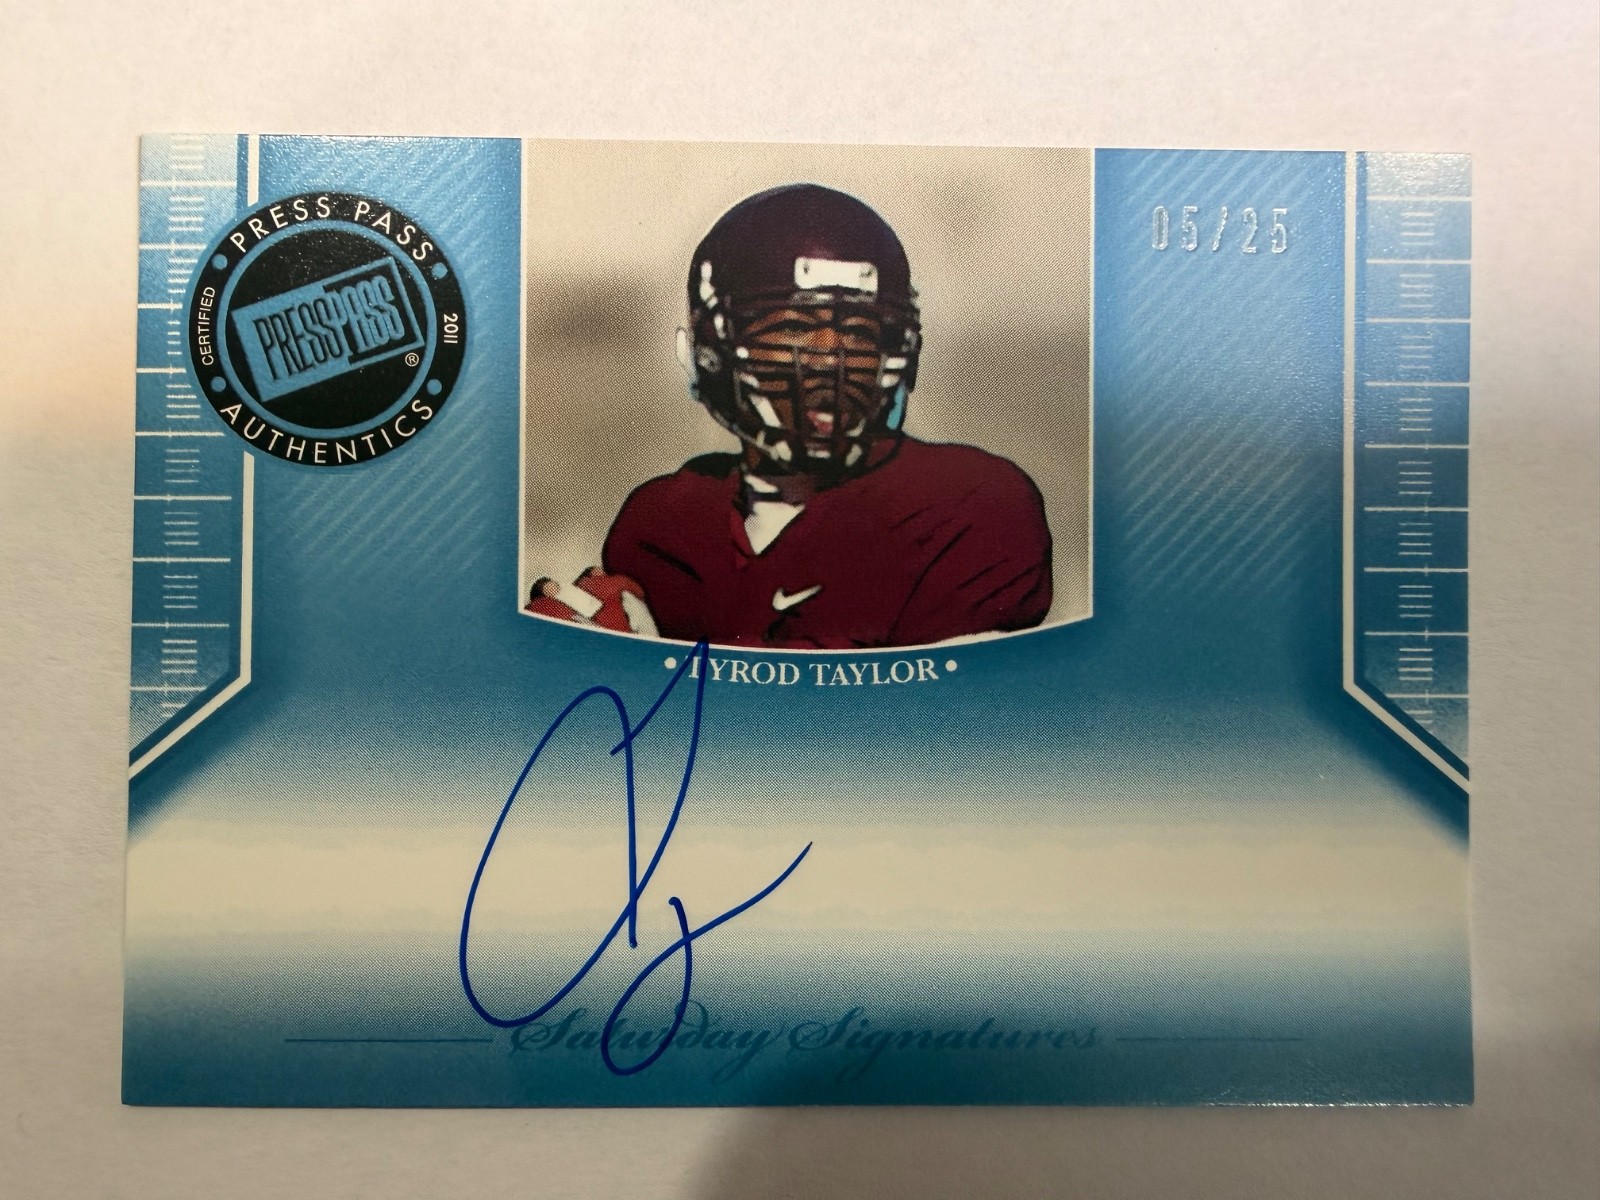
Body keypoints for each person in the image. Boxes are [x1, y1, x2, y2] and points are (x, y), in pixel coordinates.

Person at [528, 183, 1052, 650]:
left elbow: (925, 714)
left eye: (859, 331)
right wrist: (597, 654)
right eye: (797, 326)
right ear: (711, 351)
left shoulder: (969, 506)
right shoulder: (662, 525)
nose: (830, 358)